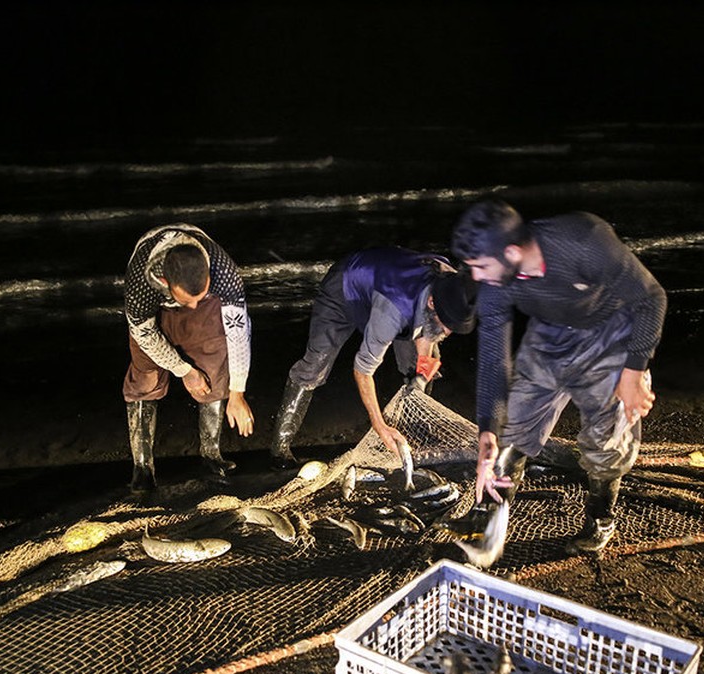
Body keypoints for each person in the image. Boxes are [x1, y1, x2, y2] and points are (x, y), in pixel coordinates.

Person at [451, 197, 666, 551]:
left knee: (607, 440)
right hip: (550, 333)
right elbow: (493, 354)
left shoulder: (584, 239)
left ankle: (600, 520)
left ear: (513, 251)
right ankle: (488, 522)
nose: (476, 277)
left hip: (609, 333)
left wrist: (633, 371)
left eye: (481, 265)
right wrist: (488, 427)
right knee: (511, 428)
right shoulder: (494, 283)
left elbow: (651, 298)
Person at [270, 247, 477, 468]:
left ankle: (413, 433)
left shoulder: (455, 285)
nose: (447, 333)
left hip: (391, 289)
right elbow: (363, 370)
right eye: (446, 324)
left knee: (422, 364)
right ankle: (279, 450)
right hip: (344, 289)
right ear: (432, 303)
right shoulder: (393, 311)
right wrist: (379, 425)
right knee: (315, 364)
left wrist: (422, 368)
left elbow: (428, 330)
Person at [123, 223, 254, 493]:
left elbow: (238, 332)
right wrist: (184, 370)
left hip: (198, 299)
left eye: (200, 295)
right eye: (188, 300)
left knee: (215, 363)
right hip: (153, 313)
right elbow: (145, 335)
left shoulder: (223, 270)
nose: (192, 306)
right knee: (145, 379)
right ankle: (143, 467)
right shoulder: (141, 283)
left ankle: (211, 455)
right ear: (164, 282)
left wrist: (237, 391)